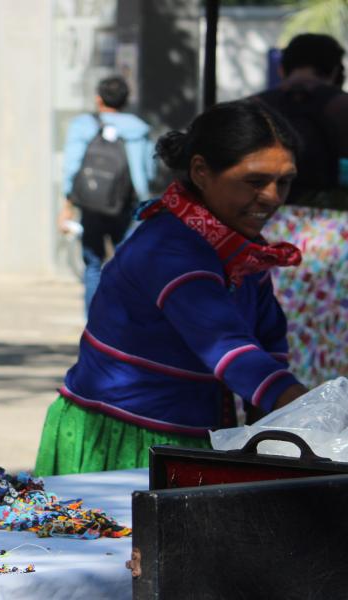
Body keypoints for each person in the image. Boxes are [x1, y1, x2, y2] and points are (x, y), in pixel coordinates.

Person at [36, 100, 309, 476]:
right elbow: (227, 347)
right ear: (200, 171)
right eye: (255, 181)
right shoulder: (170, 247)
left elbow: (269, 342)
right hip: (127, 438)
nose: (273, 197)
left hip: (193, 435)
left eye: (285, 181)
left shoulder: (241, 249)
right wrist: (306, 407)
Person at [255, 33, 348, 387]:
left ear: (283, 66)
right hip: (337, 243)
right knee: (333, 341)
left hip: (266, 235)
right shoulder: (342, 107)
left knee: (273, 330)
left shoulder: (254, 107)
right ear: (336, 70)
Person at [59, 76, 156, 313]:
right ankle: (121, 320)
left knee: (93, 264)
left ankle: (93, 322)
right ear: (125, 100)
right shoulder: (138, 128)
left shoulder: (83, 125)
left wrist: (67, 205)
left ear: (98, 99)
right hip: (127, 203)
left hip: (91, 203)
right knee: (125, 264)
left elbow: (72, 167)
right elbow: (149, 171)